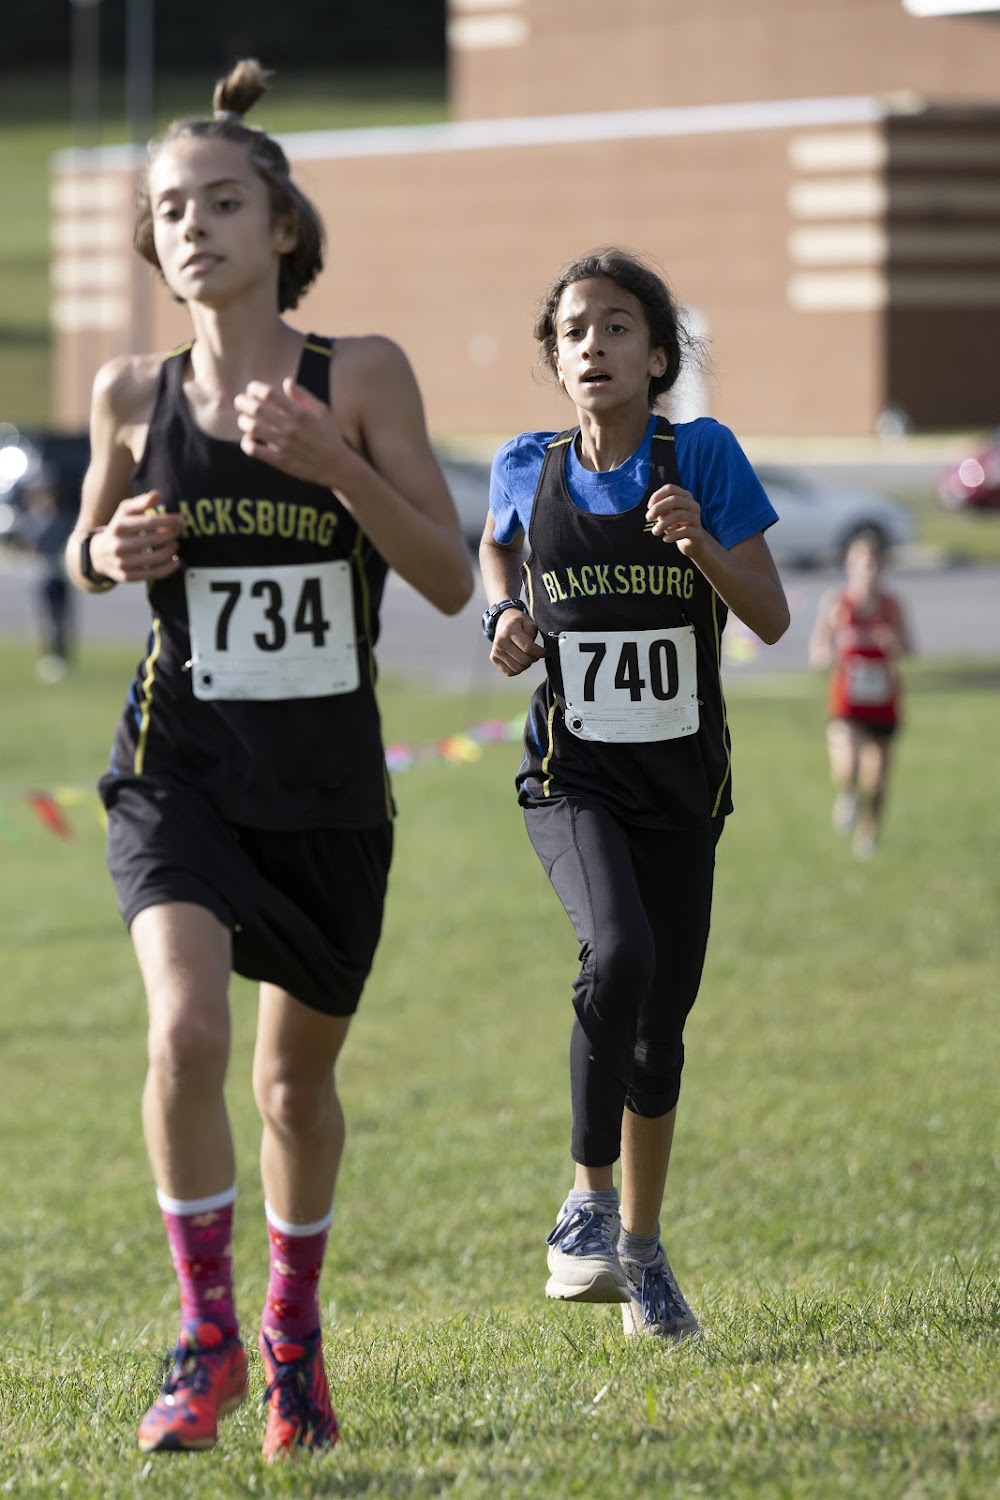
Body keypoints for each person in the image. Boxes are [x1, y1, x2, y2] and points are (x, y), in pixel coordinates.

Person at [65, 59, 473, 1460]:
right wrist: (109, 551)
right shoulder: (130, 393)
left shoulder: (359, 376)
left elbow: (447, 578)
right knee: (182, 1033)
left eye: (224, 201)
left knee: (293, 1088)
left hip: (324, 786)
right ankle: (208, 1337)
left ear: (283, 226)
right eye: (172, 207)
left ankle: (294, 1339)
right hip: (177, 765)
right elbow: (85, 547)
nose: (196, 225)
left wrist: (336, 468)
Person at [479, 249, 789, 1343]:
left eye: (618, 327)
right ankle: (587, 1205)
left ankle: (643, 1253)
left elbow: (771, 617)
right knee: (617, 954)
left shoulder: (701, 456)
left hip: (683, 783)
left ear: (657, 357)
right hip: (572, 775)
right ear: (556, 359)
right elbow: (495, 552)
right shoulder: (525, 465)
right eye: (575, 331)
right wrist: (501, 615)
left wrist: (698, 540)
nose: (595, 346)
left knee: (661, 1029)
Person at [809, 530, 913, 857]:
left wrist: (892, 644)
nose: (869, 569)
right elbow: (818, 652)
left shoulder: (892, 605)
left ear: (883, 566)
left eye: (875, 562)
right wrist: (830, 653)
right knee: (848, 764)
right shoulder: (837, 603)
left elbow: (909, 648)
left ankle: (869, 835)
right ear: (850, 565)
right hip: (847, 696)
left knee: (878, 780)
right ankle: (848, 796)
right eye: (863, 562)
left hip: (882, 698)